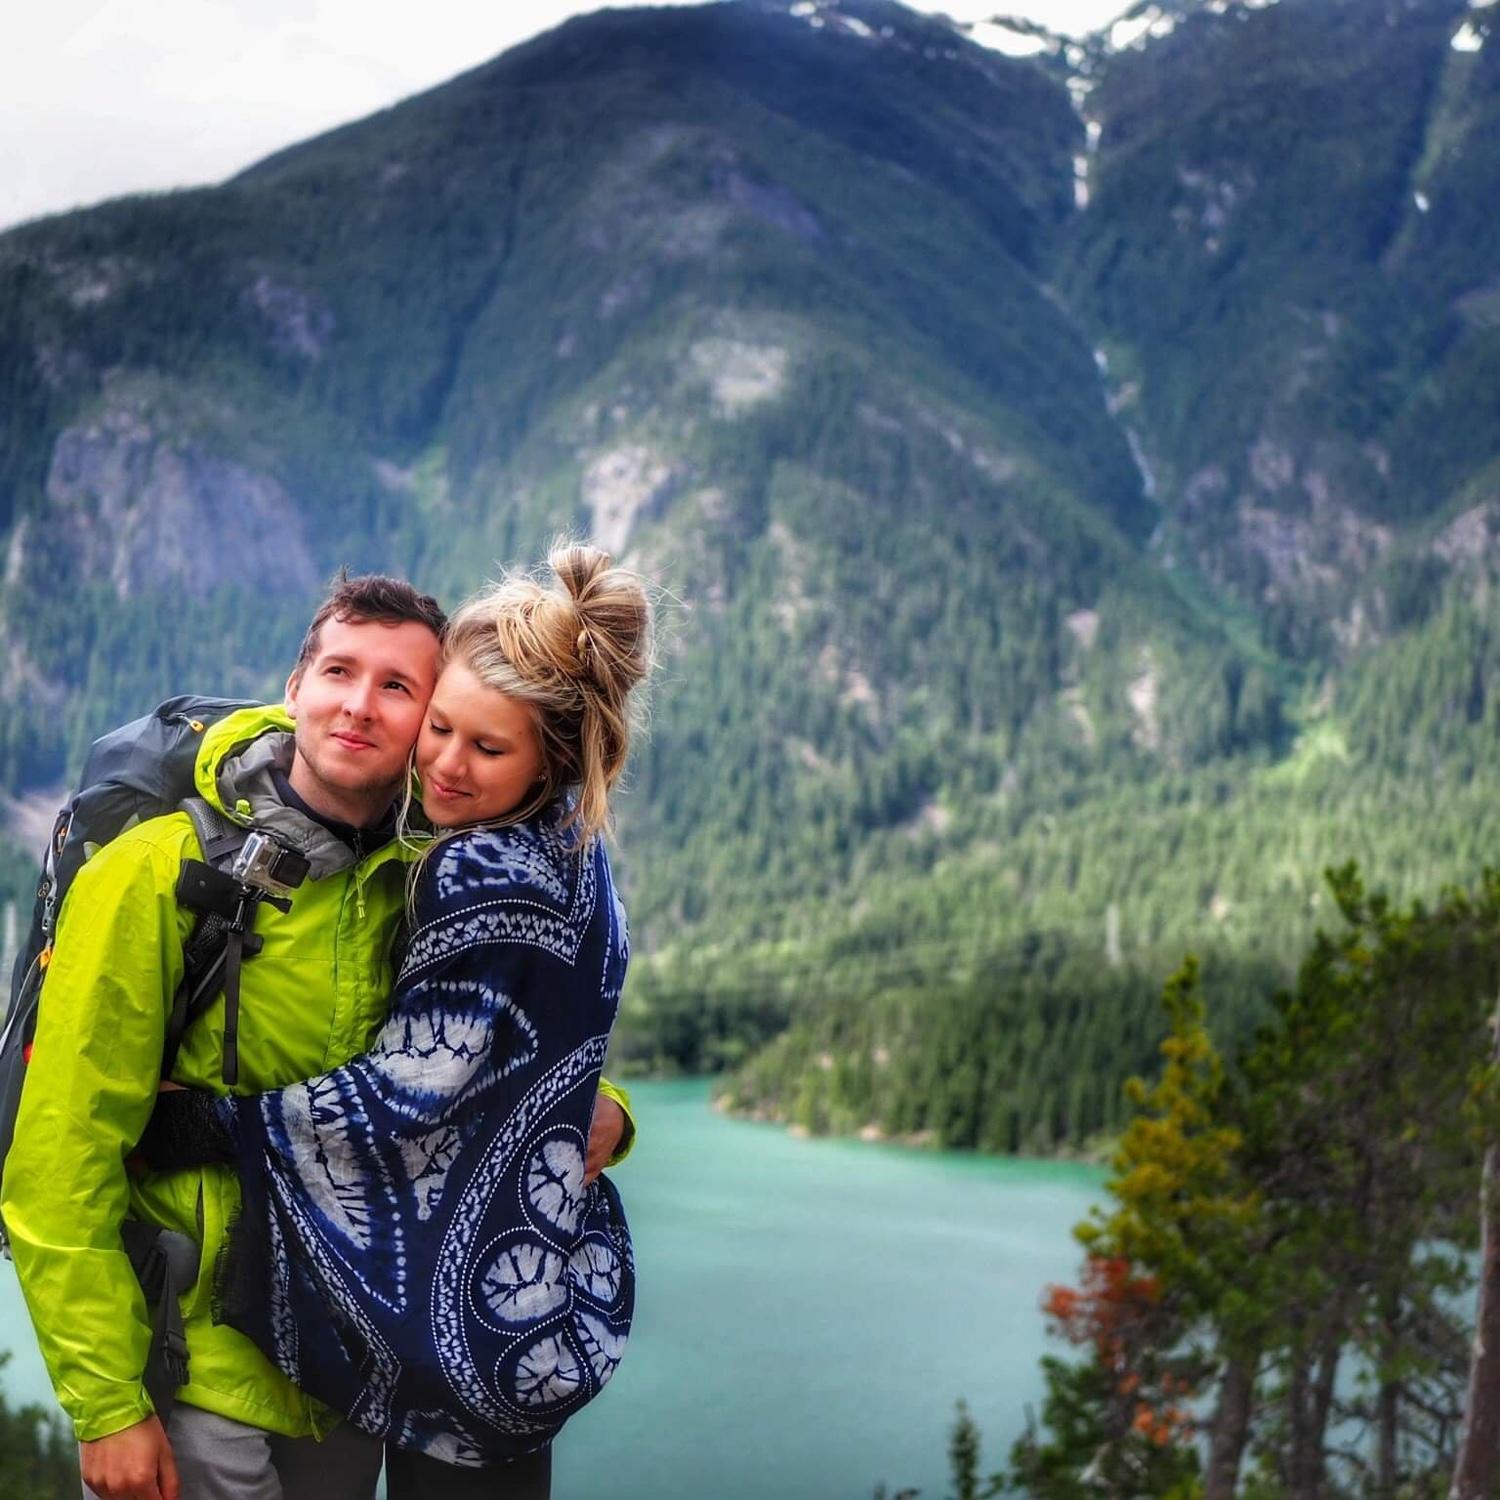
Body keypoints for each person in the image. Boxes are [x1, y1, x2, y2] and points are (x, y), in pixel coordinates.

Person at [1, 571, 632, 1500]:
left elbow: (469, 1068)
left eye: (398, 689)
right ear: (293, 686)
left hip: (340, 1380)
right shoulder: (155, 877)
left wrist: (595, 1108)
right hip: (200, 1372)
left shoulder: (421, 869)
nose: (360, 706)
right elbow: (57, 1164)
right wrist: (107, 1406)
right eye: (339, 670)